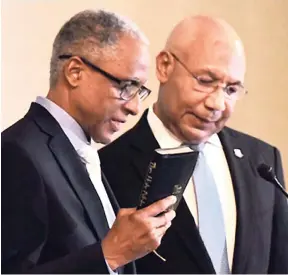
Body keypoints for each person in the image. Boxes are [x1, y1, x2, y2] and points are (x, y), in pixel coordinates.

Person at [99, 15, 288, 274]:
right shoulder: (107, 167)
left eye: (231, 90)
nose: (217, 104)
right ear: (164, 66)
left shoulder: (263, 161)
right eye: (205, 81)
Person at [1, 10, 177, 274]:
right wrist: (110, 255)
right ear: (75, 72)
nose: (134, 107)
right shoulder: (17, 153)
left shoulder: (80, 149)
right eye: (126, 86)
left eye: (140, 90)